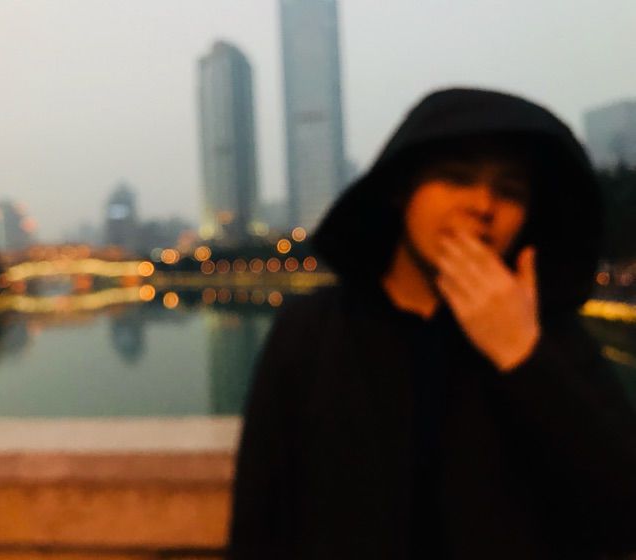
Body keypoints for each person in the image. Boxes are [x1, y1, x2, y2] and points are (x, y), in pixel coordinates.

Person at [228, 88, 636, 559]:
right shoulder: (313, 330)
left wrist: (522, 355)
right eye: (457, 178)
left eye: (510, 191)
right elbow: (260, 520)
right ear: (401, 190)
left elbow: (623, 513)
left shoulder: (550, 336)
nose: (484, 204)